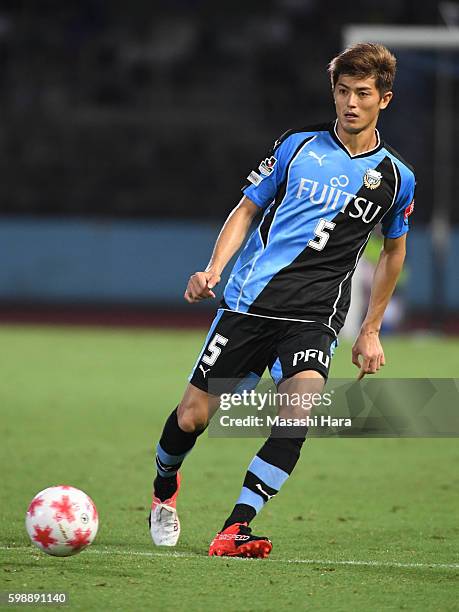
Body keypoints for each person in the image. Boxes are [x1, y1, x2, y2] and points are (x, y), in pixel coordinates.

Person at [148, 42, 416, 558]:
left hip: (315, 318)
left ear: (386, 99)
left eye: (363, 94)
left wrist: (371, 329)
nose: (350, 103)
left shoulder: (397, 178)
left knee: (298, 414)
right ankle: (164, 488)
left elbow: (393, 252)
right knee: (191, 418)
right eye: (342, 92)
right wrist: (213, 270)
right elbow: (246, 209)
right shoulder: (296, 148)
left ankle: (235, 527)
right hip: (250, 306)